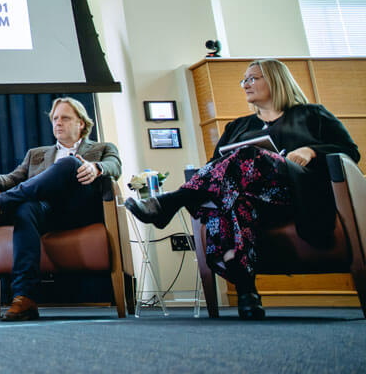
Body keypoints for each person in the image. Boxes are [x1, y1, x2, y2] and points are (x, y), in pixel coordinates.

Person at [125, 59, 359, 320]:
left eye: (252, 78)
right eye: (243, 80)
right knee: (231, 205)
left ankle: (171, 202)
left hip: (295, 195)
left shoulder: (313, 115)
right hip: (251, 201)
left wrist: (311, 150)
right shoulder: (237, 127)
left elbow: (351, 153)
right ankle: (248, 293)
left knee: (247, 153)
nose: (246, 84)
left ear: (275, 80)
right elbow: (214, 169)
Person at [0, 96, 120, 321]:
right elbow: (11, 179)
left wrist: (96, 168)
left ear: (82, 124)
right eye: (55, 118)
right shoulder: (36, 154)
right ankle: (24, 298)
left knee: (68, 163)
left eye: (65, 118)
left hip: (80, 212)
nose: (58, 123)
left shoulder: (103, 148)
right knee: (25, 209)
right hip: (45, 213)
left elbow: (115, 166)